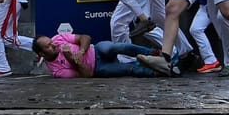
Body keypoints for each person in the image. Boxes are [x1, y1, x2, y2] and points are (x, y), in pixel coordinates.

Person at [32, 33, 170, 77]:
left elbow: (85, 37)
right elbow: (88, 75)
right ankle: (162, 71)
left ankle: (155, 54)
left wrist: (81, 51)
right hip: (97, 68)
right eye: (48, 46)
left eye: (51, 42)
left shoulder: (58, 39)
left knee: (116, 47)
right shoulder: (57, 71)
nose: (54, 45)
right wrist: (73, 60)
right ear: (42, 53)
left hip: (96, 50)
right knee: (129, 69)